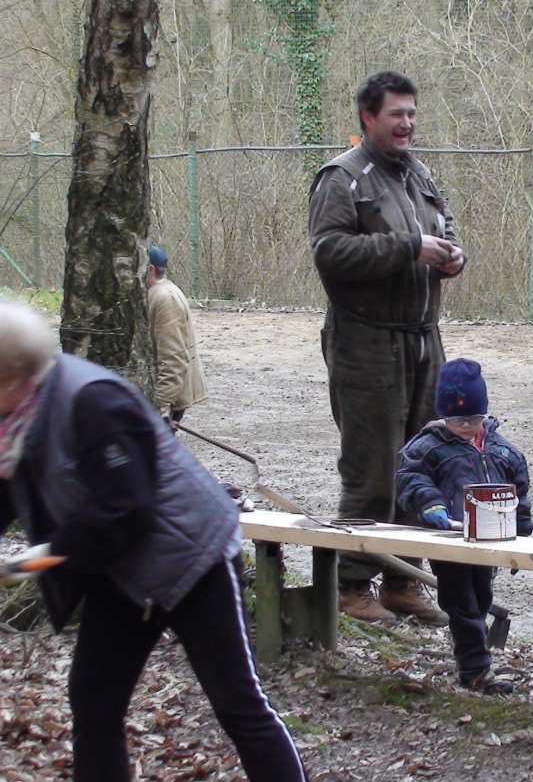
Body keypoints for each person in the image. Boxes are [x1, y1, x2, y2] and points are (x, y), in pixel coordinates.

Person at [0, 300, 308, 782]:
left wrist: (31, 562)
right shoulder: (15, 421)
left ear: (13, 374)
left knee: (238, 704)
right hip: (119, 570)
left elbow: (125, 509)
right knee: (94, 701)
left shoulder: (93, 400)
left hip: (191, 559)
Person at [307, 71, 465, 625]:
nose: (407, 123)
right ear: (368, 117)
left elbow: (446, 230)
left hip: (424, 339)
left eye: (412, 113)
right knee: (372, 467)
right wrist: (407, 247)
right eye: (396, 114)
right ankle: (351, 586)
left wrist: (453, 256)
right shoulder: (342, 178)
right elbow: (329, 251)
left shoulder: (419, 174)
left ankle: (402, 580)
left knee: (422, 463)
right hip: (365, 341)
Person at [396, 359, 533, 694]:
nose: (467, 426)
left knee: (481, 597)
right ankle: (475, 670)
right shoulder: (427, 447)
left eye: (474, 418)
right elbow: (410, 479)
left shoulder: (501, 449)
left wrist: (521, 531)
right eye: (458, 420)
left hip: (489, 540)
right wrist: (430, 504)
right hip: (450, 540)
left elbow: (519, 490)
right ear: (444, 415)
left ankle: (477, 661)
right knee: (461, 603)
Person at [145, 244, 206, 427]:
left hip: (168, 403)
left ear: (150, 269)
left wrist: (159, 409)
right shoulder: (159, 292)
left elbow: (173, 359)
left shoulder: (165, 298)